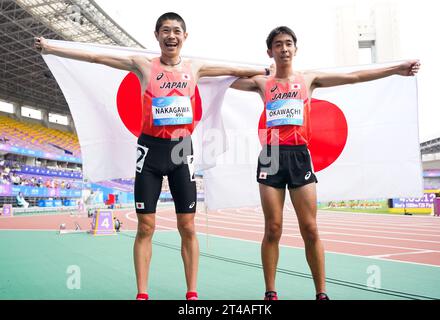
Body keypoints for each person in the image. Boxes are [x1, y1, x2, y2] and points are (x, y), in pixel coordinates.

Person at [34, 12, 266, 301]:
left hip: (182, 151)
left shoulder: (196, 68)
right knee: (146, 226)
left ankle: (191, 292)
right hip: (150, 151)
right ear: (157, 36)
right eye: (165, 30)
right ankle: (142, 293)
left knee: (188, 225)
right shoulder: (144, 65)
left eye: (177, 31)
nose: (171, 36)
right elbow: (95, 57)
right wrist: (52, 47)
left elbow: (232, 69)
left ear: (185, 36)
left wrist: (265, 71)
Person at [230, 26, 420, 300]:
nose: (284, 49)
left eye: (288, 44)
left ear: (295, 49)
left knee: (310, 227)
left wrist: (395, 69)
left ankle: (321, 292)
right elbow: (221, 80)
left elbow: (353, 76)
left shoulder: (309, 79)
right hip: (271, 154)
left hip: (299, 155)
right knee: (273, 227)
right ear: (269, 51)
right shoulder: (262, 83)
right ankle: (270, 291)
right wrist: (251, 72)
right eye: (278, 45)